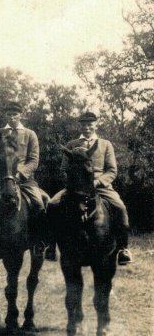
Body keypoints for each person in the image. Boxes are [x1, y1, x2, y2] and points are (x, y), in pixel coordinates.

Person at [45, 111, 132, 265]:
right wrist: (73, 183)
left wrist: (97, 182)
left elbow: (112, 170)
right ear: (80, 125)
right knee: (52, 204)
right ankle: (50, 246)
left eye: (90, 124)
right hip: (75, 187)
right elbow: (64, 169)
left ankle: (123, 249)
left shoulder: (105, 144)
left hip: (100, 186)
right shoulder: (71, 145)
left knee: (121, 208)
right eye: (84, 124)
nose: (86, 127)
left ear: (95, 124)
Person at [0, 100, 46, 247]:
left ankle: (39, 242)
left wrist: (18, 175)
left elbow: (33, 160)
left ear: (21, 115)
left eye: (15, 114)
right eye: (9, 114)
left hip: (24, 180)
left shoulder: (30, 134)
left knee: (40, 204)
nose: (12, 117)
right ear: (5, 115)